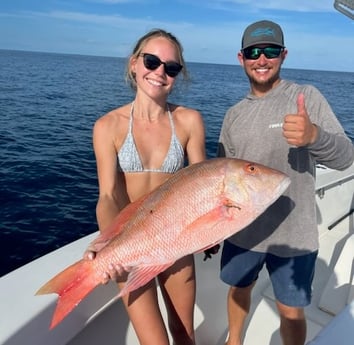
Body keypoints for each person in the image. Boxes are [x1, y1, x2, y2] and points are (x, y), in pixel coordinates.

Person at [217, 20, 354, 345]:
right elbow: (221, 178)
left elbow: (346, 156)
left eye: (270, 51)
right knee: (239, 289)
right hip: (243, 231)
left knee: (291, 310)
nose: (261, 59)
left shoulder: (306, 96)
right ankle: (233, 340)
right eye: (253, 52)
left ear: (283, 55)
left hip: (295, 235)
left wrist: (314, 137)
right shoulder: (233, 115)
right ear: (241, 58)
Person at [86, 29, 206, 345]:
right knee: (154, 341)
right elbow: (109, 195)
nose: (159, 72)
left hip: (176, 242)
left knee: (184, 333)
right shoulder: (107, 126)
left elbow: (202, 185)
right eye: (151, 61)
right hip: (131, 243)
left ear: (178, 75)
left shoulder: (190, 120)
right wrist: (107, 243)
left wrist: (212, 231)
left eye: (171, 67)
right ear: (134, 65)